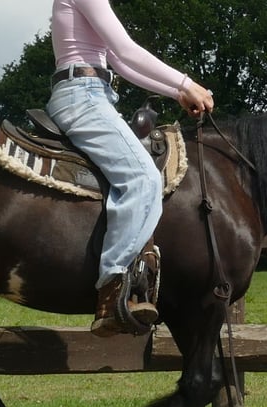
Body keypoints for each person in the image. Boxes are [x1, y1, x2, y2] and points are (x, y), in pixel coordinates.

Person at [46, 0, 214, 337]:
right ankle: (112, 287)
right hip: (84, 95)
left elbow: (120, 62)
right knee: (143, 177)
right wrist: (187, 83)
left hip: (91, 91)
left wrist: (175, 92)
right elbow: (126, 49)